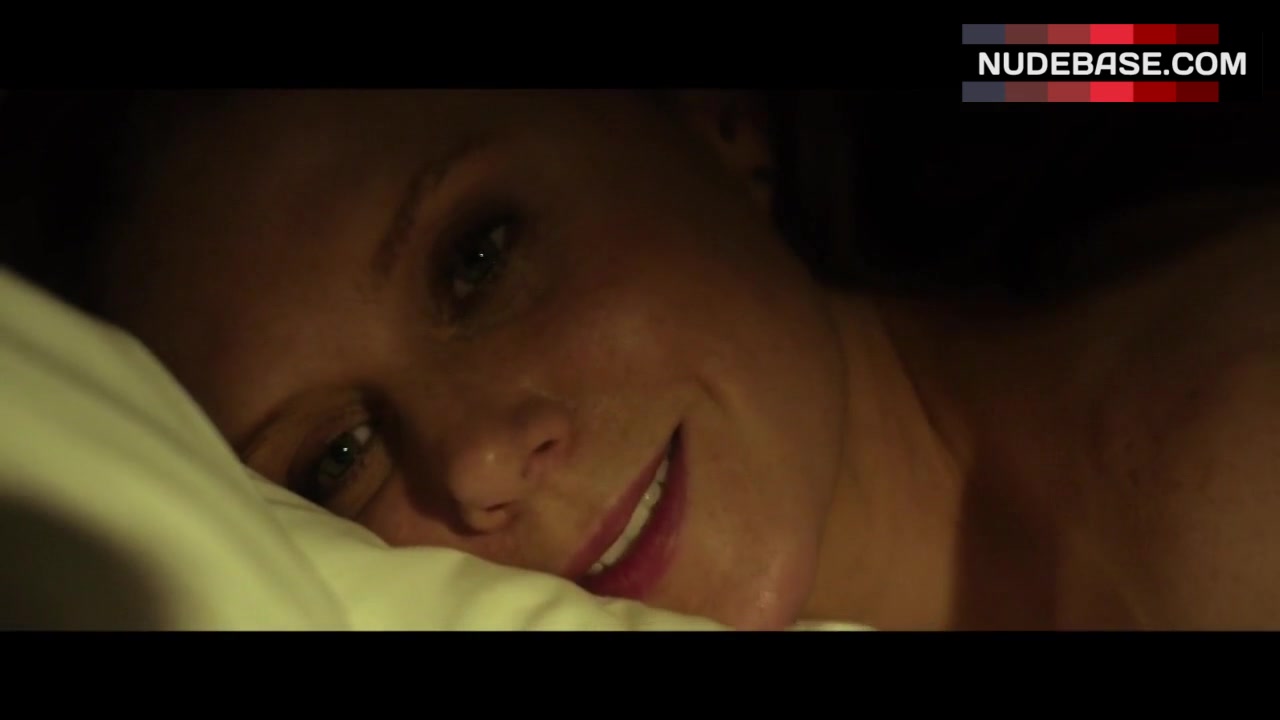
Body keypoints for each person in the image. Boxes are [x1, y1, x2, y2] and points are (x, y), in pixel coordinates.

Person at [2, 89, 1278, 630]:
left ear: (714, 123)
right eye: (337, 455)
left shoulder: (1217, 441)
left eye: (477, 258)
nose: (476, 459)